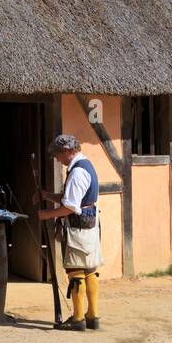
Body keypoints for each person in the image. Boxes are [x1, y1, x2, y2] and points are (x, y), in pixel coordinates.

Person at [35, 133, 103, 331]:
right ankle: (92, 315)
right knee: (89, 269)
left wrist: (47, 214)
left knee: (76, 272)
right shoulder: (85, 166)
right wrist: (48, 195)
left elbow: (71, 207)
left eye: (58, 154)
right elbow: (72, 199)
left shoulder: (77, 173)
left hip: (78, 226)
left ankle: (78, 318)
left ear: (67, 151)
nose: (57, 159)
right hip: (89, 223)